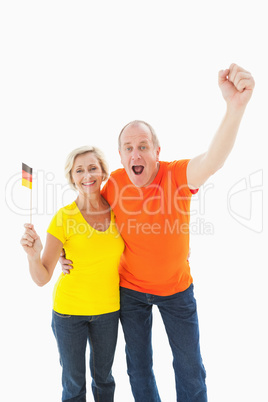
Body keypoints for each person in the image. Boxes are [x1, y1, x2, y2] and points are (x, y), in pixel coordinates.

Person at [60, 64, 255, 401]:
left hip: (177, 291)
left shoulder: (177, 175)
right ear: (120, 155)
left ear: (156, 151)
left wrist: (235, 107)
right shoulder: (115, 182)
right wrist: (61, 251)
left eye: (143, 146)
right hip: (130, 292)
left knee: (189, 366)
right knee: (138, 367)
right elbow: (86, 218)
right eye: (128, 148)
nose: (136, 153)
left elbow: (213, 159)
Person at [20, 146, 125, 402]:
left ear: (103, 173)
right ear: (71, 177)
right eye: (79, 170)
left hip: (108, 311)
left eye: (92, 168)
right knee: (74, 384)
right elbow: (42, 277)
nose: (87, 175)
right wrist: (33, 255)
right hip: (68, 313)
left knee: (104, 380)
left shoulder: (119, 211)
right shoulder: (63, 218)